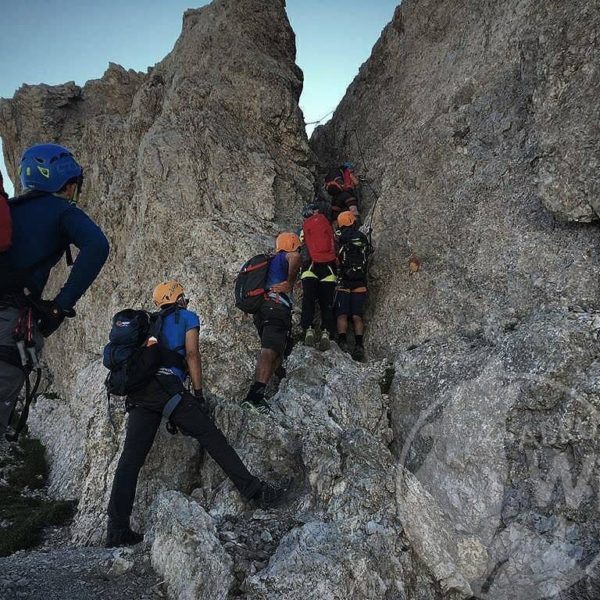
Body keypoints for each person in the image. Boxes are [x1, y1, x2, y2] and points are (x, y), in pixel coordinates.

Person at [107, 281, 287, 547]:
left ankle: (117, 529)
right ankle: (255, 492)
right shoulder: (187, 317)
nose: (186, 301)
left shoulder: (150, 323)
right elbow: (192, 354)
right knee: (212, 437)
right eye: (184, 297)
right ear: (178, 298)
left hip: (141, 395)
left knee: (130, 460)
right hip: (168, 390)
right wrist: (199, 394)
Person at [0, 144, 109, 441]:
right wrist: (60, 307)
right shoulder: (61, 210)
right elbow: (97, 246)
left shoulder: (9, 210)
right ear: (67, 183)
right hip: (10, 328)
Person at [241, 232, 301, 414]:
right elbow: (296, 257)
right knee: (269, 350)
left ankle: (263, 388)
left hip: (265, 310)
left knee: (278, 353)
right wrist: (290, 282)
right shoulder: (286, 255)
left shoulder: (273, 260)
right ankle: (254, 397)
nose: (299, 250)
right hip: (275, 307)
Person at [334, 211, 372, 361]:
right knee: (357, 316)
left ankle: (342, 342)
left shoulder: (340, 238)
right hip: (360, 281)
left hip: (343, 280)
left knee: (342, 314)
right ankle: (359, 345)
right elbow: (368, 252)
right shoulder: (362, 237)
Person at [299, 204, 337, 350]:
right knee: (326, 303)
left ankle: (308, 329)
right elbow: (334, 244)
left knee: (308, 300)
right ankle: (326, 332)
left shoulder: (304, 227)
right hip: (328, 268)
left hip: (310, 267)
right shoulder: (326, 224)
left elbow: (300, 248)